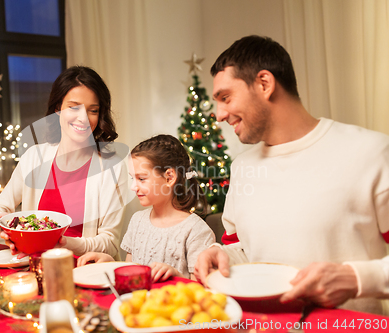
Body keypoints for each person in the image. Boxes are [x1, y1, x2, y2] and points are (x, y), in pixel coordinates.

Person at [193, 35, 389, 314]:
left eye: (225, 97)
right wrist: (220, 254)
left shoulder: (372, 152)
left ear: (264, 84)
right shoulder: (242, 167)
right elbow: (245, 250)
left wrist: (356, 279)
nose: (219, 114)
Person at [0, 66, 129, 259]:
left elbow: (110, 244)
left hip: (87, 273)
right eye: (74, 107)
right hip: (36, 269)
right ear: (58, 109)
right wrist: (5, 225)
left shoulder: (113, 168)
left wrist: (64, 242)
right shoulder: (34, 158)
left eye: (93, 110)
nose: (83, 118)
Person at [77, 134, 215, 282]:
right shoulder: (137, 220)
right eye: (133, 178)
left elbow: (201, 290)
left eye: (141, 179)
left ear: (169, 178)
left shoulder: (197, 231)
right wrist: (108, 263)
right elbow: (131, 271)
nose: (133, 187)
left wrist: (175, 275)